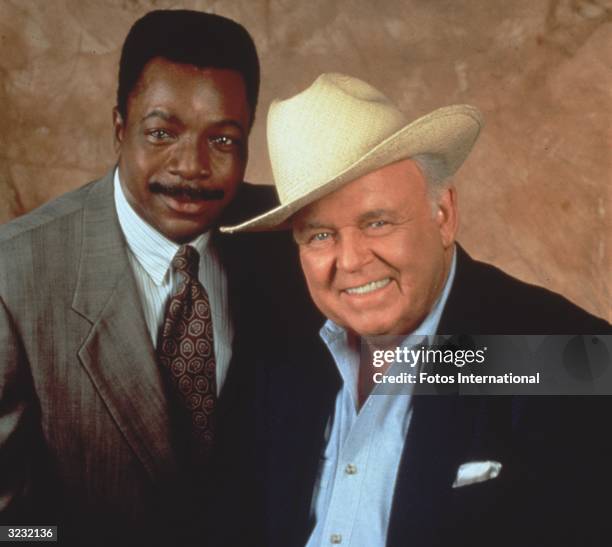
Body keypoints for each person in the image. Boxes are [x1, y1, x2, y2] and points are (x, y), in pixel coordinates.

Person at [222, 73, 612, 547]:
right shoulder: (279, 356)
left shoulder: (559, 354)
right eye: (320, 234)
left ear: (443, 214)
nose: (350, 261)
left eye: (378, 222)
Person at [0, 9, 308, 546]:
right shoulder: (15, 276)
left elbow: (438, 345)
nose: (191, 165)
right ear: (120, 127)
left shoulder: (295, 236)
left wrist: (504, 371)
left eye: (223, 140)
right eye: (162, 132)